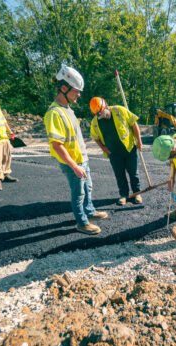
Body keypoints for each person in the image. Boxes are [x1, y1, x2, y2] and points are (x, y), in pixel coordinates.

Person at [43, 64, 108, 235]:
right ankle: (82, 222)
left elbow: (71, 137)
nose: (79, 94)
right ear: (64, 88)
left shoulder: (68, 110)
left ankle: (90, 211)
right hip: (73, 163)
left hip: (82, 159)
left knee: (88, 188)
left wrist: (82, 144)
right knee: (78, 194)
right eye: (76, 91)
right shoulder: (54, 113)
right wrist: (74, 166)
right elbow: (57, 145)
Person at [89, 97, 143, 205]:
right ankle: (124, 195)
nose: (102, 116)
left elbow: (134, 123)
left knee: (133, 173)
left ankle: (137, 193)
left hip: (130, 149)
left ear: (106, 106)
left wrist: (139, 141)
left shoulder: (119, 110)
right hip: (114, 154)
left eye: (102, 113)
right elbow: (94, 136)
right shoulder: (95, 122)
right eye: (98, 115)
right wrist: (103, 148)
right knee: (120, 175)